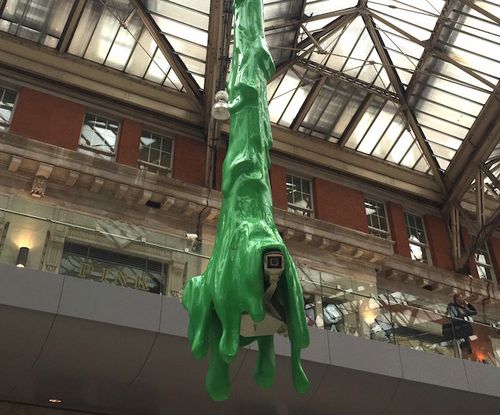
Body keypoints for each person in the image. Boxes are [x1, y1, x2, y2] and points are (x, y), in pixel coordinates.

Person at [447, 293, 477, 359]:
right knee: (462, 347)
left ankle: (465, 360)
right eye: (461, 297)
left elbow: (474, 312)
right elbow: (454, 318)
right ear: (457, 299)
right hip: (459, 331)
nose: (463, 299)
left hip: (466, 332)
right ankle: (461, 360)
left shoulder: (463, 309)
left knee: (467, 349)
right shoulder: (452, 306)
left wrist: (467, 303)